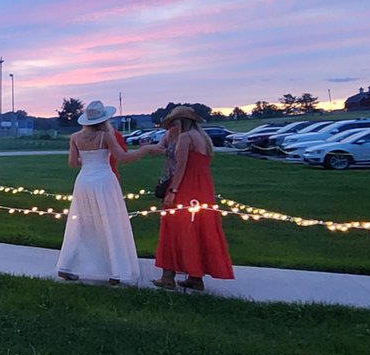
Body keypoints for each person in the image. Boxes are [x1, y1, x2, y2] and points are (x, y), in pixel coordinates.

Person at [55, 100, 160, 285]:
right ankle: (116, 271)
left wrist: (88, 159)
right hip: (104, 180)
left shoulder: (75, 137)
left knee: (81, 222)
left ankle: (67, 265)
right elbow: (123, 157)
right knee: (110, 221)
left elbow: (72, 163)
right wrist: (144, 149)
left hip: (83, 181)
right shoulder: (106, 136)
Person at [153, 106, 235, 291]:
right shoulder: (203, 138)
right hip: (203, 187)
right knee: (197, 229)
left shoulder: (185, 138)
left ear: (181, 121)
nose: (173, 126)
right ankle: (195, 277)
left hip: (186, 186)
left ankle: (168, 277)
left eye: (174, 122)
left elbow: (181, 166)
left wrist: (173, 190)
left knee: (174, 227)